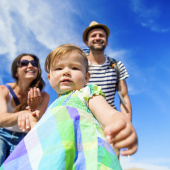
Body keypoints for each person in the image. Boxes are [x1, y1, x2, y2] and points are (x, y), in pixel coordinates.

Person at [1, 44, 137, 170]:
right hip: (55, 158)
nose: (66, 72)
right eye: (59, 68)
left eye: (74, 68)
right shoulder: (52, 106)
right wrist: (33, 120)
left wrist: (120, 123)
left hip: (86, 155)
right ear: (49, 78)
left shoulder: (86, 93)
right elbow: (39, 133)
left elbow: (108, 113)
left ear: (86, 77)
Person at [83, 21, 132, 158]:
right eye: (93, 35)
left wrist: (126, 127)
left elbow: (124, 97)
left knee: (110, 165)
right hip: (82, 122)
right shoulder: (79, 64)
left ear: (107, 42)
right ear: (86, 43)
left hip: (109, 125)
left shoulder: (116, 65)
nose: (98, 37)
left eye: (101, 35)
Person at [0, 54, 49, 166]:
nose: (30, 66)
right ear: (16, 73)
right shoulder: (3, 90)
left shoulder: (44, 96)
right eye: (24, 63)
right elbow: (1, 119)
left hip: (24, 138)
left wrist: (33, 109)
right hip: (2, 134)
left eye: (34, 63)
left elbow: (34, 127)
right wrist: (23, 113)